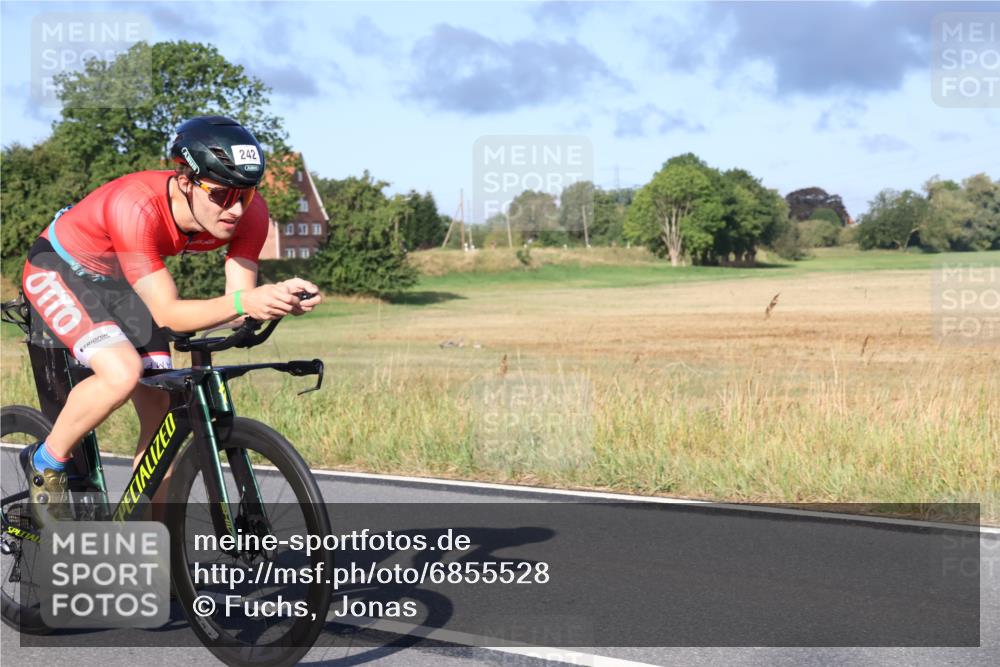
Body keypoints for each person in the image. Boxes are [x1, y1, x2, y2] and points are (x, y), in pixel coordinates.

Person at [19, 115, 321, 525]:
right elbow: (169, 312)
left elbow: (237, 304)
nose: (234, 209)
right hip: (60, 269)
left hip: (124, 283)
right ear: (184, 180)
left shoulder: (250, 213)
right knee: (122, 372)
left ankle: (155, 549)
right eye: (219, 195)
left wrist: (277, 299)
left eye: (245, 195)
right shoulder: (137, 205)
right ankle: (46, 462)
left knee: (162, 413)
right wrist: (246, 301)